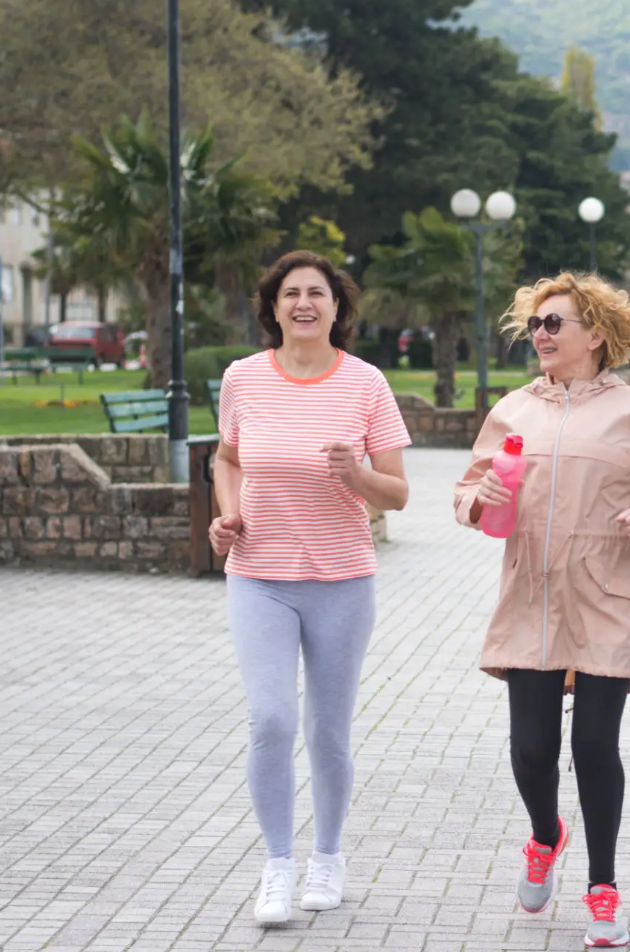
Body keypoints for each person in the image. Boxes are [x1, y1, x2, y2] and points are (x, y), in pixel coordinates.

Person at [454, 272, 630, 948]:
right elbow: (471, 485)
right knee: (532, 750)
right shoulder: (513, 410)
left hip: (606, 594)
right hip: (529, 593)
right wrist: (478, 503)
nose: (541, 334)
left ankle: (604, 887)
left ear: (596, 334)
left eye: (555, 322)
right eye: (536, 324)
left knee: (594, 746)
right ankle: (544, 835)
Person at [208, 250, 411, 925]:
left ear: (336, 307)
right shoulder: (242, 378)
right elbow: (227, 457)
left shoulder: (365, 384)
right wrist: (226, 513)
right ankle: (277, 865)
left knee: (328, 730)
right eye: (290, 293)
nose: (303, 303)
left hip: (342, 580)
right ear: (271, 307)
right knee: (271, 719)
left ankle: (327, 855)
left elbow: (400, 493)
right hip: (259, 576)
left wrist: (356, 477)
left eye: (316, 293)